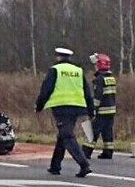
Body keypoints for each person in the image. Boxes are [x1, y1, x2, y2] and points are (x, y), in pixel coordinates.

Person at [35, 47, 95, 178]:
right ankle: (55, 166)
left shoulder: (55, 70)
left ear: (58, 57)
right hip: (78, 106)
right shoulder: (78, 71)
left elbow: (46, 90)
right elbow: (87, 92)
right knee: (63, 135)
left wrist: (39, 106)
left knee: (67, 135)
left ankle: (84, 164)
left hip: (62, 107)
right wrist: (91, 111)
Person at [83, 53, 117, 159]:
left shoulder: (99, 80)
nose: (94, 67)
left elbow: (97, 97)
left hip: (101, 111)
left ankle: (86, 152)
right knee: (108, 131)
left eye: (95, 65)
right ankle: (108, 151)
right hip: (111, 111)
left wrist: (93, 110)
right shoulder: (111, 78)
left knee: (93, 131)